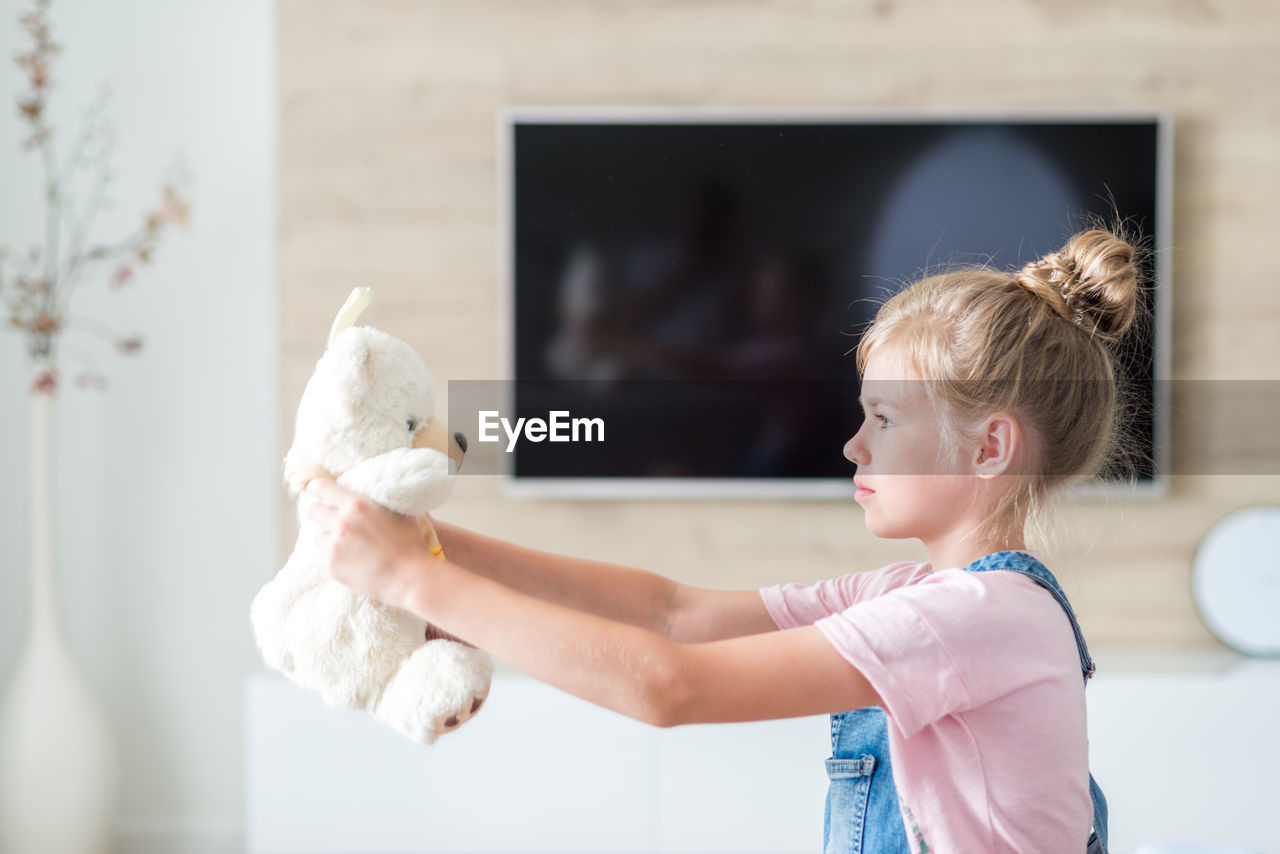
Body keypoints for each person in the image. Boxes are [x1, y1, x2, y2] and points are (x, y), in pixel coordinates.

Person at [302, 228, 1144, 853]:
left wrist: (419, 582)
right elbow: (669, 614)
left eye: (883, 419)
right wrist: (429, 542)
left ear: (989, 447)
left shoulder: (972, 618)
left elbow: (672, 686)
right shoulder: (912, 597)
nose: (854, 446)